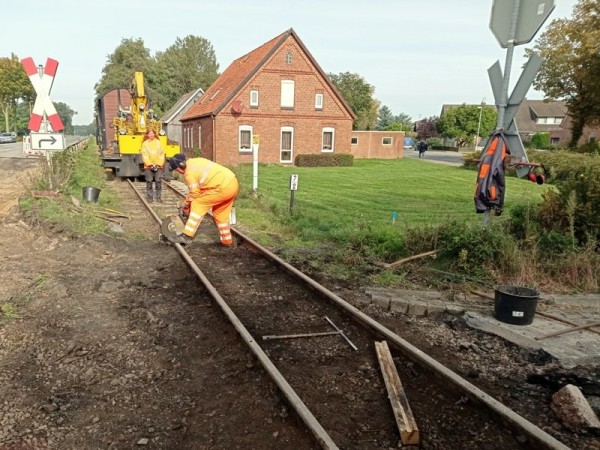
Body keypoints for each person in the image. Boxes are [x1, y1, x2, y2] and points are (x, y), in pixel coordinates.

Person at [166, 154, 239, 246]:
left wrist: (185, 204)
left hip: (221, 187)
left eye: (177, 169)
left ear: (182, 165)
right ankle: (227, 242)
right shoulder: (195, 161)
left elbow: (195, 193)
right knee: (220, 213)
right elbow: (204, 186)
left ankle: (186, 236)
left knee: (198, 204)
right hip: (232, 183)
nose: (179, 172)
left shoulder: (189, 173)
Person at [140, 129, 166, 202]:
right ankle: (150, 197)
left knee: (158, 181)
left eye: (152, 133)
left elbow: (162, 155)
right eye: (149, 134)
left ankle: (158, 197)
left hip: (159, 166)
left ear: (155, 134)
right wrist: (150, 164)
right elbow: (144, 155)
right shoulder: (145, 144)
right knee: (149, 181)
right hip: (148, 166)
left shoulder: (159, 143)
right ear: (147, 135)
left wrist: (158, 164)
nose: (151, 135)